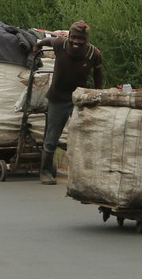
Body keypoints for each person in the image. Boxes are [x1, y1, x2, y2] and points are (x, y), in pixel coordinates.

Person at [30, 21, 104, 185]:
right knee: (52, 137)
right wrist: (37, 46)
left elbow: (98, 75)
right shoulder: (60, 44)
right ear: (69, 36)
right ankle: (46, 171)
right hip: (58, 98)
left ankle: (84, 173)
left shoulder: (94, 54)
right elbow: (46, 42)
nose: (76, 42)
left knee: (84, 136)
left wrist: (98, 94)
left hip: (79, 100)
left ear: (87, 39)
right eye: (74, 37)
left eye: (81, 39)